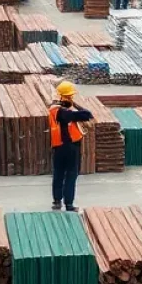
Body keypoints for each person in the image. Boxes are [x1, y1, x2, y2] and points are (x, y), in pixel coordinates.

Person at [49, 81, 94, 212]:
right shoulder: (64, 113)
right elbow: (87, 115)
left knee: (58, 173)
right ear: (67, 96)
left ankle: (57, 201)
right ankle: (69, 204)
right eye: (71, 96)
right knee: (71, 174)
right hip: (70, 146)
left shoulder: (53, 109)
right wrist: (75, 105)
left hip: (58, 146)